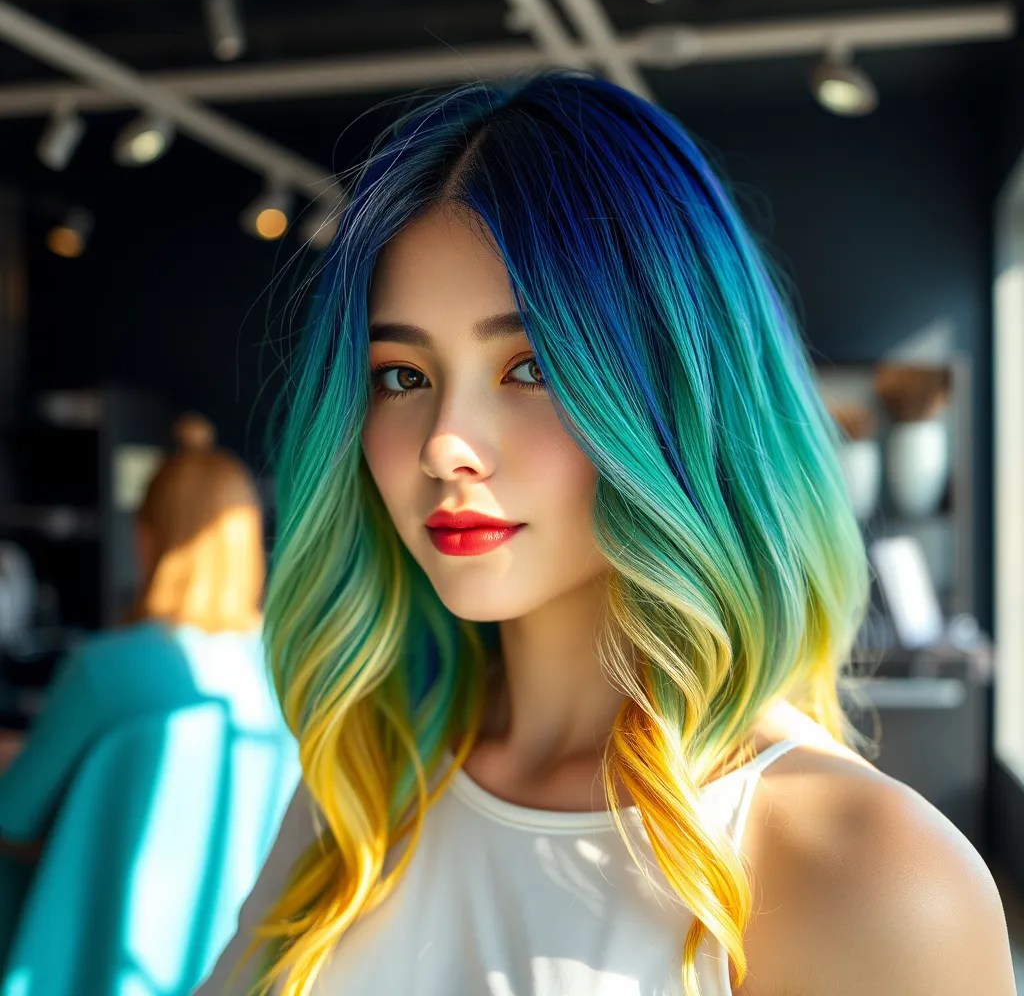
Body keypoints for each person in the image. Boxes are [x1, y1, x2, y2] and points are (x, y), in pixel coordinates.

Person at [195, 71, 1017, 996]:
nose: (445, 447)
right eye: (400, 376)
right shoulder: (361, 792)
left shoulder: (865, 873)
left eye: (532, 366)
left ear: (680, 393)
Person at [0, 414, 299, 973]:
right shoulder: (291, 676)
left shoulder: (103, 670)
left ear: (146, 537)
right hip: (244, 961)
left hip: (102, 962)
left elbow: (14, 817)